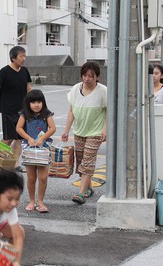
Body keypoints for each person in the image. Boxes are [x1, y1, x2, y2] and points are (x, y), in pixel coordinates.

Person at [61, 61, 107, 205]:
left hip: (95, 132)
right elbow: (71, 111)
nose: (87, 79)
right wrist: (66, 130)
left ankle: (81, 193)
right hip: (79, 131)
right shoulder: (75, 89)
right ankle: (88, 187)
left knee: (88, 161)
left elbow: (109, 110)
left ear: (97, 77)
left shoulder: (103, 91)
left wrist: (105, 129)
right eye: (85, 75)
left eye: (90, 76)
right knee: (80, 161)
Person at [0, 46, 32, 172]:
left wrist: (33, 103)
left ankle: (15, 163)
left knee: (19, 138)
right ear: (13, 58)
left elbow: (29, 88)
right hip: (8, 111)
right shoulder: (4, 72)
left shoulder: (24, 71)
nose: (24, 59)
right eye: (21, 56)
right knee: (8, 138)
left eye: (24, 56)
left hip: (23, 111)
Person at [16, 89, 56, 213]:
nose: (36, 105)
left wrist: (42, 138)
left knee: (43, 177)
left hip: (43, 148)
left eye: (39, 101)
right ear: (28, 103)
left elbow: (53, 128)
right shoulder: (24, 114)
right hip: (29, 148)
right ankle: (32, 201)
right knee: (31, 177)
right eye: (33, 102)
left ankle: (40, 201)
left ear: (43, 102)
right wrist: (28, 138)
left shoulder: (47, 114)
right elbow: (18, 128)